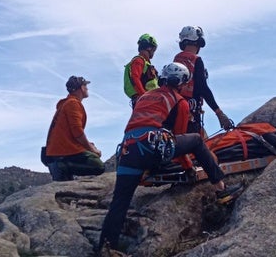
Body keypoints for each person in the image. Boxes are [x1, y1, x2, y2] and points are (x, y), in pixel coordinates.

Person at [98, 62, 243, 254]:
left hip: (127, 150)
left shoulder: (144, 97)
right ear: (182, 82)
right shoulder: (179, 101)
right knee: (196, 140)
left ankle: (106, 248)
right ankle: (221, 190)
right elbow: (178, 138)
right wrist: (189, 168)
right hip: (152, 148)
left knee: (119, 203)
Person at [173, 25, 234, 135]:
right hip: (190, 113)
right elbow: (203, 87)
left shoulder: (176, 60)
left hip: (174, 110)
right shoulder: (196, 60)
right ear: (198, 42)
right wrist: (219, 113)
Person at [44, 75, 105, 181]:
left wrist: (89, 146)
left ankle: (63, 167)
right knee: (98, 166)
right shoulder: (73, 104)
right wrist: (92, 149)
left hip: (57, 152)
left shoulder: (66, 103)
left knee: (90, 151)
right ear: (81, 88)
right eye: (85, 85)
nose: (87, 88)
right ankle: (63, 166)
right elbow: (77, 132)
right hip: (62, 153)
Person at [123, 33, 159, 107]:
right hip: (144, 100)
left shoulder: (145, 63)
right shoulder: (139, 60)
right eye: (154, 49)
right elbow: (135, 79)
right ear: (149, 48)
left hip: (149, 100)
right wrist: (144, 97)